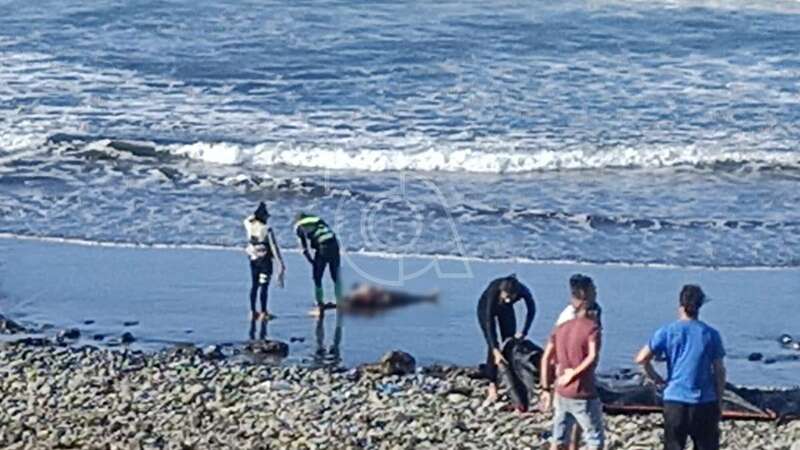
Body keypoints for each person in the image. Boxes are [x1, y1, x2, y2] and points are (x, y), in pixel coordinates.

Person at [635, 285, 726, 450]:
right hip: (704, 400)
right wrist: (719, 399)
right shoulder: (710, 334)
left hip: (675, 398)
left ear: (681, 306)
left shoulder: (668, 331)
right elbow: (719, 371)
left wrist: (655, 378)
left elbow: (641, 358)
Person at [546, 274, 603, 449]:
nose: (596, 291)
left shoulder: (563, 327)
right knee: (594, 437)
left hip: (563, 388)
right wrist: (572, 372)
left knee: (560, 433)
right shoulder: (587, 326)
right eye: (593, 289)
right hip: (579, 387)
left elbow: (550, 354)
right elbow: (592, 356)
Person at [476, 274, 536, 404]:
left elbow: (531, 309)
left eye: (511, 297)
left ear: (516, 294)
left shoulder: (522, 291)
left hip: (505, 310)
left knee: (510, 343)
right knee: (493, 346)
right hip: (486, 309)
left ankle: (512, 379)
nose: (508, 299)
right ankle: (492, 386)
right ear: (501, 292)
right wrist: (495, 350)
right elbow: (488, 323)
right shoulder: (493, 290)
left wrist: (524, 331)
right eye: (506, 296)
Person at [243, 202, 285, 320]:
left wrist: (257, 211)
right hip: (265, 261)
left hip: (253, 259)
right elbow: (274, 247)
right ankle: (263, 312)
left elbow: (247, 219)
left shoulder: (249, 226)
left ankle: (252, 311)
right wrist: (280, 264)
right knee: (264, 286)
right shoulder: (267, 229)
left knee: (254, 285)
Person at [295, 212, 343, 311]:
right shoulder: (318, 220)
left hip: (323, 248)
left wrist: (311, 261)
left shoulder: (299, 227)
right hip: (335, 245)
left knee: (317, 277)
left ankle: (320, 303)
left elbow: (304, 249)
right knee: (335, 276)